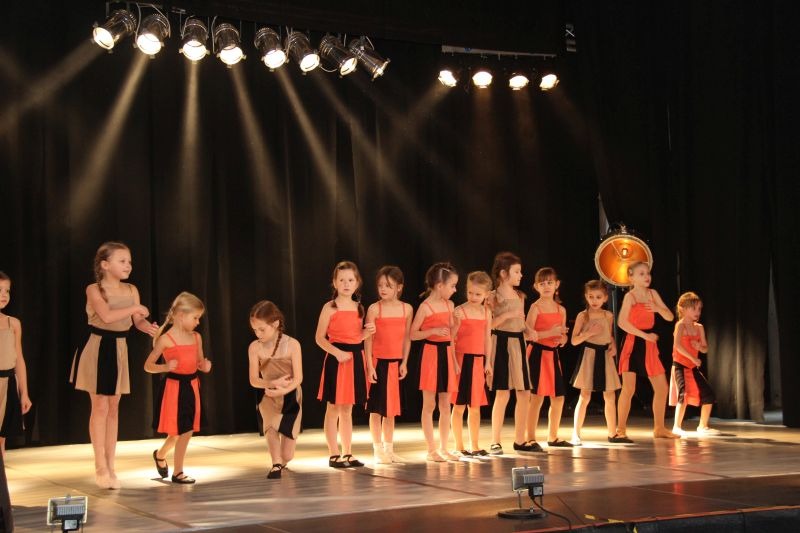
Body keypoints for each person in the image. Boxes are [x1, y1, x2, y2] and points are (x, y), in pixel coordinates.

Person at [70, 242, 158, 489]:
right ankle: (100, 466)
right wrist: (135, 308)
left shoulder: (132, 289)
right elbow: (107, 316)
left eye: (129, 261)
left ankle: (111, 465)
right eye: (122, 261)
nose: (128, 265)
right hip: (98, 347)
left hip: (119, 347)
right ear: (105, 265)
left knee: (114, 407)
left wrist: (148, 327)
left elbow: (137, 321)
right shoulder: (94, 289)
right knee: (99, 406)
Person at [145, 292, 212, 484]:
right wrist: (165, 367)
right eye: (195, 317)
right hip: (174, 389)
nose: (198, 322)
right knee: (183, 431)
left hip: (192, 386)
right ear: (181, 316)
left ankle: (160, 455)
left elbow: (199, 362)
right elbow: (148, 366)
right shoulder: (166, 340)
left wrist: (205, 366)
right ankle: (178, 472)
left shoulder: (196, 337)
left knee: (178, 432)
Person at [316, 261, 374, 468]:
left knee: (348, 409)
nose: (346, 284)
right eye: (341, 280)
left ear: (357, 283)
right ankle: (334, 454)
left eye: (350, 280)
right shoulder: (329, 307)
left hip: (355, 359)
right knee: (333, 408)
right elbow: (319, 338)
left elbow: (356, 337)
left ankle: (348, 452)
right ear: (334, 282)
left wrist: (366, 334)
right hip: (336, 359)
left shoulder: (359, 308)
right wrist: (337, 353)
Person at [616, 261, 678, 440]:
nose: (647, 276)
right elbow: (622, 322)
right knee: (629, 388)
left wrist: (658, 308)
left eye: (648, 273)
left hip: (649, 345)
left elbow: (669, 317)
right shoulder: (630, 297)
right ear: (631, 278)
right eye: (641, 274)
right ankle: (620, 429)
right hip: (633, 342)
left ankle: (659, 428)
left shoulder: (653, 294)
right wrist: (644, 336)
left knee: (662, 388)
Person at [409, 262, 459, 462]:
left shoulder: (450, 305)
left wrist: (454, 360)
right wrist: (432, 331)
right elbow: (413, 334)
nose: (455, 290)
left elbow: (451, 336)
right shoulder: (425, 307)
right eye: (452, 285)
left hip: (446, 353)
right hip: (430, 355)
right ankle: (431, 450)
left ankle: (444, 448)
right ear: (440, 286)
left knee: (446, 404)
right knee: (429, 404)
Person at [486, 252, 534, 455]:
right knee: (502, 392)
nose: (521, 275)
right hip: (501, 342)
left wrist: (529, 330)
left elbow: (520, 321)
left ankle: (520, 439)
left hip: (518, 343)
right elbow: (489, 325)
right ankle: (495, 441)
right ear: (504, 273)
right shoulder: (492, 296)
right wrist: (508, 314)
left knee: (524, 392)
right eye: (517, 271)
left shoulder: (519, 296)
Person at [249, 300, 303, 479]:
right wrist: (272, 384)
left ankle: (282, 460)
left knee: (287, 455)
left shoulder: (292, 344)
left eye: (262, 329)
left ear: (275, 324)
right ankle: (275, 464)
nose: (258, 334)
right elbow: (254, 380)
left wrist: (283, 389)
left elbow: (298, 378)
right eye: (255, 330)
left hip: (290, 396)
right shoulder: (255, 347)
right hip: (268, 394)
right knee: (270, 427)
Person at [364, 266, 412, 464]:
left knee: (391, 409)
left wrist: (404, 362)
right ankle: (378, 450)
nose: (383, 289)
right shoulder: (374, 309)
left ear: (399, 287)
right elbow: (368, 340)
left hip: (395, 363)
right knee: (376, 410)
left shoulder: (407, 309)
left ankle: (389, 450)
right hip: (378, 362)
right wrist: (370, 365)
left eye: (388, 285)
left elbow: (407, 338)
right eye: (380, 285)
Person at [525, 267, 572, 449]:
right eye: (542, 283)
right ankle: (530, 437)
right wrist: (551, 332)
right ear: (536, 286)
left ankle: (553, 436)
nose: (546, 286)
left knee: (558, 397)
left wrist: (563, 339)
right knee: (536, 398)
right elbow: (528, 334)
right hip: (537, 353)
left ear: (557, 285)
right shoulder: (535, 307)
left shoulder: (561, 309)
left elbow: (562, 334)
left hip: (553, 355)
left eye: (550, 283)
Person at [569, 280, 620, 445]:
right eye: (591, 297)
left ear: (605, 298)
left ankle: (612, 433)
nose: (594, 300)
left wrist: (613, 345)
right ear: (586, 296)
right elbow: (574, 341)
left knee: (610, 395)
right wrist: (589, 333)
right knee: (584, 395)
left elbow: (608, 335)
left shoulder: (608, 315)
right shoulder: (582, 316)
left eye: (598, 297)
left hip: (605, 355)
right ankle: (576, 434)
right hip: (589, 354)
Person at [450, 271, 492, 457]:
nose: (473, 297)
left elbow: (487, 339)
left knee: (475, 406)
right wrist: (454, 362)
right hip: (461, 360)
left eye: (478, 294)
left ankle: (475, 445)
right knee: (458, 405)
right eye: (470, 293)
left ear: (486, 294)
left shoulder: (486, 312)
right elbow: (451, 338)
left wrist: (488, 362)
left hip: (477, 361)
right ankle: (459, 446)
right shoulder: (460, 310)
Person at [669, 292, 718, 436]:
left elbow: (705, 348)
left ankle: (703, 426)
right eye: (694, 308)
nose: (697, 312)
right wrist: (693, 358)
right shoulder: (680, 325)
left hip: (692, 367)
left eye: (699, 309)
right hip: (680, 366)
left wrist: (699, 347)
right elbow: (677, 346)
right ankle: (676, 426)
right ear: (683, 309)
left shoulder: (699, 327)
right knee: (683, 395)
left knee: (708, 394)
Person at [0, 272, 32, 456]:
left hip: (8, 383)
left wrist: (24, 393)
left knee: (2, 437)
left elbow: (19, 358)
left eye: (7, 290)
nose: (4, 295)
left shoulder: (13, 324)